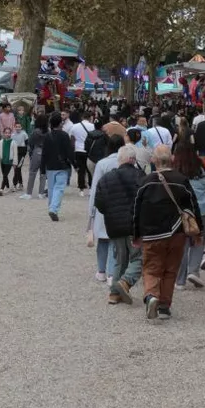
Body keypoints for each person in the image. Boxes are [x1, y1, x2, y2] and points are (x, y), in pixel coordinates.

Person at [133, 144, 200, 320]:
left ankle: (151, 296)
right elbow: (193, 207)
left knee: (151, 268)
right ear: (172, 159)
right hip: (177, 232)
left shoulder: (146, 182)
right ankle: (164, 305)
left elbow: (136, 210)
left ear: (153, 160)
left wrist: (136, 233)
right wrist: (197, 232)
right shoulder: (181, 180)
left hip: (152, 233)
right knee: (170, 270)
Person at [94, 145, 145, 304]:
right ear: (133, 160)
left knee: (119, 260)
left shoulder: (106, 178)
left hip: (114, 225)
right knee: (139, 258)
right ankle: (125, 282)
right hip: (134, 225)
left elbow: (99, 203)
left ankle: (114, 294)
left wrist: (111, 213)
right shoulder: (140, 176)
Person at [86, 132, 126, 283]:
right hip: (120, 204)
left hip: (103, 205)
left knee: (102, 240)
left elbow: (95, 188)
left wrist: (91, 211)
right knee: (115, 241)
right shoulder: (126, 163)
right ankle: (112, 272)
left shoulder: (102, 164)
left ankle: (101, 270)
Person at [171, 139, 205, 290]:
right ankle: (193, 271)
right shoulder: (201, 168)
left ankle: (180, 280)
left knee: (182, 244)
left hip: (182, 212)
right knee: (198, 241)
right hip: (202, 210)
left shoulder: (175, 171)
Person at [41, 113, 75, 221]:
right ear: (60, 123)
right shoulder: (64, 135)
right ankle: (53, 209)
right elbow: (69, 152)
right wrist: (75, 164)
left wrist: (42, 168)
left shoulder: (47, 136)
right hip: (62, 165)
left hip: (50, 166)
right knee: (59, 188)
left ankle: (52, 207)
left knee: (51, 188)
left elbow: (44, 153)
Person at [21, 115, 47, 199]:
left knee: (32, 172)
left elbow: (30, 142)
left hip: (37, 151)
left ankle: (29, 193)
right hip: (45, 152)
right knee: (43, 174)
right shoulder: (48, 131)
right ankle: (41, 193)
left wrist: (31, 153)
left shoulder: (36, 131)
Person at [70, 109, 94, 193]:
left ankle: (81, 188)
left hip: (78, 150)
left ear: (82, 117)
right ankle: (91, 187)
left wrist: (73, 149)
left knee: (81, 170)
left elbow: (72, 139)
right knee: (89, 169)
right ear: (90, 118)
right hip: (89, 150)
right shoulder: (92, 126)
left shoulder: (74, 126)